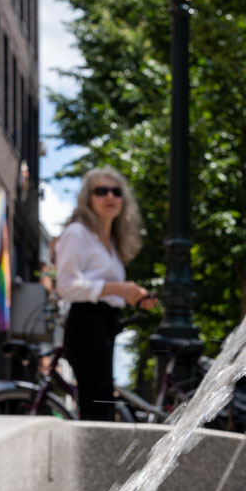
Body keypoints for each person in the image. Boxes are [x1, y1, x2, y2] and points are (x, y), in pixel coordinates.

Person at [55, 167, 156, 421]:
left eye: (116, 191)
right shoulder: (77, 233)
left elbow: (105, 288)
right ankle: (91, 459)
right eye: (101, 191)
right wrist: (117, 288)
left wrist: (135, 297)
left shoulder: (111, 243)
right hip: (86, 323)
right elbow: (65, 286)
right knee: (97, 405)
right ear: (88, 198)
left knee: (102, 402)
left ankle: (95, 458)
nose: (110, 196)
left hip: (106, 324)